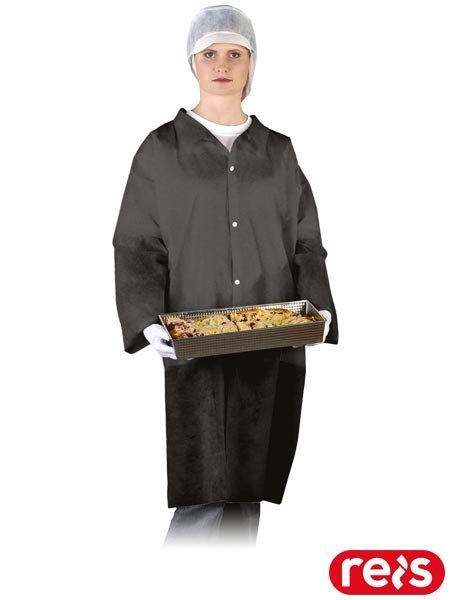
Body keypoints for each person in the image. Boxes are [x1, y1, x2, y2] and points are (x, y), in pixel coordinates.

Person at [112, 4, 338, 547]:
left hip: (272, 334)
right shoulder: (161, 149)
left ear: (251, 63)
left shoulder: (278, 152)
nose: (222, 64)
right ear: (192, 61)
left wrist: (318, 307)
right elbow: (137, 241)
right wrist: (145, 320)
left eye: (235, 53)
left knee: (245, 496)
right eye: (210, 52)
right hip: (196, 340)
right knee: (205, 490)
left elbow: (306, 239)